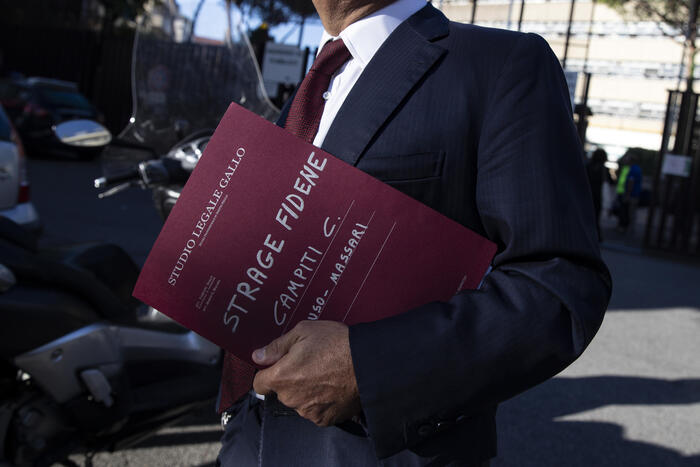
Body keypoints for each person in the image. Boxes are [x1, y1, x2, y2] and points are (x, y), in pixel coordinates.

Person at [217, 0, 612, 465]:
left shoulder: (501, 65)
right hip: (249, 441)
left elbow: (557, 286)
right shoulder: (303, 93)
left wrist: (369, 368)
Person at [586, 148, 608, 240]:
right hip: (597, 196)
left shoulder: (588, 166)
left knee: (587, 215)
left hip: (587, 194)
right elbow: (608, 181)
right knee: (596, 216)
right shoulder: (603, 169)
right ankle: (596, 236)